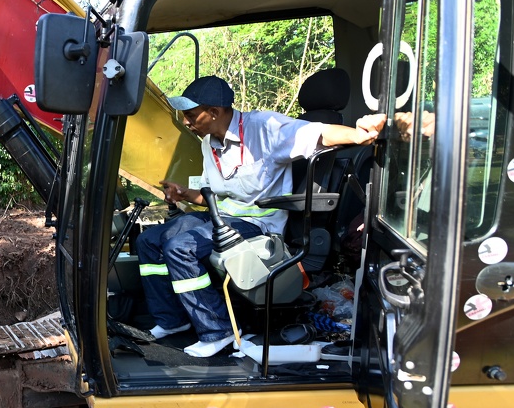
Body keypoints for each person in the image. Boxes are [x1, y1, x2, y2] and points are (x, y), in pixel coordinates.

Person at [138, 75, 379, 358]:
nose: (187, 122)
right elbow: (211, 195)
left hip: (257, 224)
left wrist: (359, 134)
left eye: (191, 115)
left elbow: (317, 134)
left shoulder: (264, 128)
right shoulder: (207, 143)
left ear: (214, 112)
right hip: (221, 216)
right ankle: (172, 320)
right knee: (149, 241)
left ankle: (219, 331)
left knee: (180, 247)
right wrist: (184, 193)